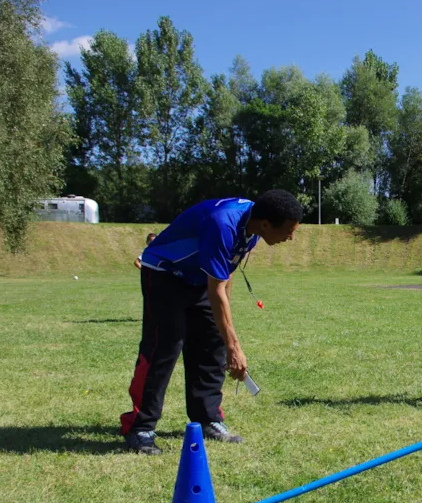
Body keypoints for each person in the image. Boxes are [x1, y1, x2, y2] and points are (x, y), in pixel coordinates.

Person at [120, 190, 302, 455]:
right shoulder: (223, 224)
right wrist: (235, 346)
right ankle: (140, 428)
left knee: (211, 344)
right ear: (266, 224)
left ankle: (207, 420)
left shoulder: (252, 228)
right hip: (164, 273)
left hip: (199, 280)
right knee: (164, 346)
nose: (291, 237)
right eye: (288, 231)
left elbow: (224, 278)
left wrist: (225, 334)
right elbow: (216, 289)